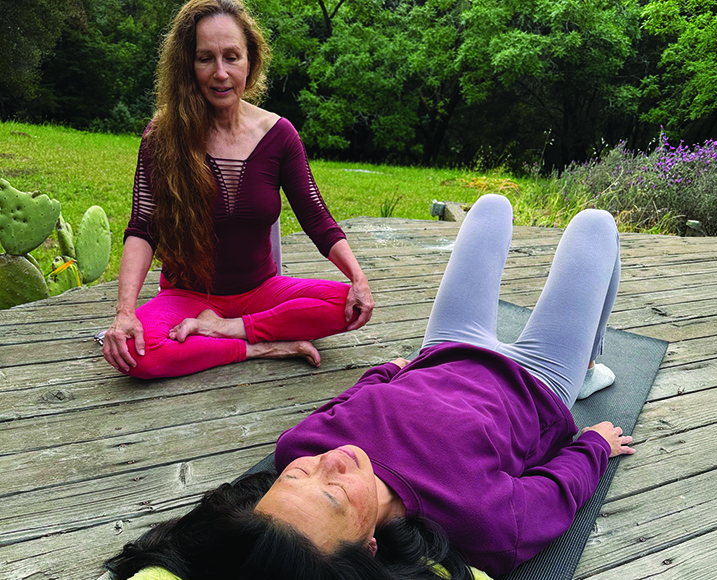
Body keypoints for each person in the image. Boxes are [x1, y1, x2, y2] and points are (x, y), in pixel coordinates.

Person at [104, 194, 633, 580]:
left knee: (491, 206)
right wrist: (594, 447)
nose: (327, 463)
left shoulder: (300, 447)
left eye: (292, 479)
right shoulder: (478, 522)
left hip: (444, 349)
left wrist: (389, 372)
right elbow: (553, 496)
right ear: (370, 547)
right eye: (334, 495)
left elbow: (348, 402)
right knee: (595, 225)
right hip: (538, 382)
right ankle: (587, 366)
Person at [102, 0, 373, 380]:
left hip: (261, 292)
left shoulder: (279, 135)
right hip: (187, 297)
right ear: (187, 65)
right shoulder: (162, 136)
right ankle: (257, 346)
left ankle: (228, 331)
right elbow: (143, 228)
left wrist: (358, 279)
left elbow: (317, 218)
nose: (220, 73)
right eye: (204, 58)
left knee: (349, 306)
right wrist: (125, 312)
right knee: (135, 352)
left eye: (232, 57)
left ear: (251, 60)